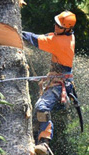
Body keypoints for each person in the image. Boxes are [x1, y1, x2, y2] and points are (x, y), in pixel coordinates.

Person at [22, 11, 77, 155]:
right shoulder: (66, 35)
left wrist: (15, 33)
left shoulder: (59, 42)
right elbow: (48, 37)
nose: (55, 26)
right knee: (36, 112)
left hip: (61, 86)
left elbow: (34, 39)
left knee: (42, 106)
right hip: (58, 83)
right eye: (56, 24)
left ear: (67, 28)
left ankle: (44, 143)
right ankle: (35, 140)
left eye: (59, 25)